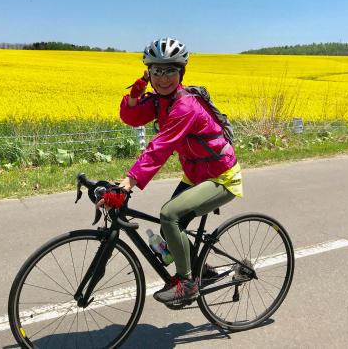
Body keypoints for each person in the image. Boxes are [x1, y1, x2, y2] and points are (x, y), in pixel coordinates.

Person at [102, 37, 243, 306]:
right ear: (149, 72)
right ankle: (202, 270)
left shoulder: (185, 105)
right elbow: (131, 116)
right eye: (157, 71)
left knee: (169, 215)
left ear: (181, 73)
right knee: (168, 228)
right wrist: (139, 87)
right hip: (196, 174)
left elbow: (161, 147)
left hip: (222, 176)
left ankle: (187, 282)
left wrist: (129, 181)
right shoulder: (160, 101)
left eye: (170, 71)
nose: (163, 78)